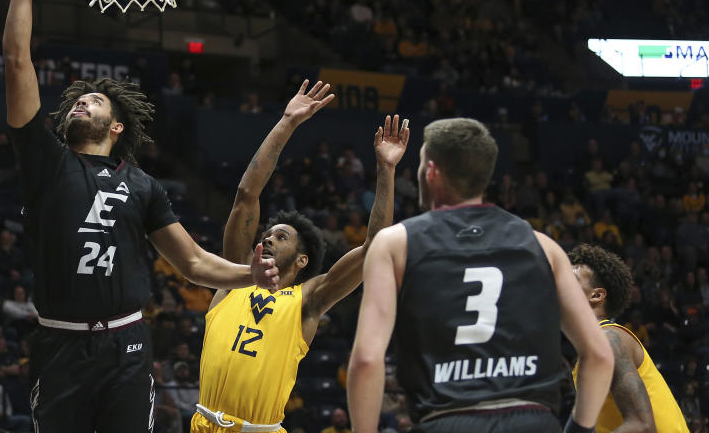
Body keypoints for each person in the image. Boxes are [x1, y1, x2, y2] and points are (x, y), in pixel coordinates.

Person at [0, 0, 278, 433]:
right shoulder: (47, 162)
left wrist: (250, 277)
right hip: (61, 343)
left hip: (127, 346)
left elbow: (193, 262)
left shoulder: (145, 185)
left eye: (95, 101)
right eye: (77, 101)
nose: (81, 101)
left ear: (118, 126)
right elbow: (18, 62)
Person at [347, 117, 614, 433]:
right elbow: (599, 356)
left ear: (431, 172)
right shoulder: (543, 246)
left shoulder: (395, 244)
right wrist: (579, 430)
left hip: (447, 420)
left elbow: (366, 360)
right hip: (533, 421)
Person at [191, 82, 409, 433]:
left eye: (281, 236)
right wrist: (287, 122)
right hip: (201, 424)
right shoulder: (234, 279)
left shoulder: (307, 301)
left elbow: (375, 246)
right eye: (268, 234)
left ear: (302, 260)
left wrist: (386, 170)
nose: (268, 237)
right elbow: (247, 194)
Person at [569, 244, 688, 432]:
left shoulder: (609, 339)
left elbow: (642, 425)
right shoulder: (592, 349)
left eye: (570, 279)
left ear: (597, 295)